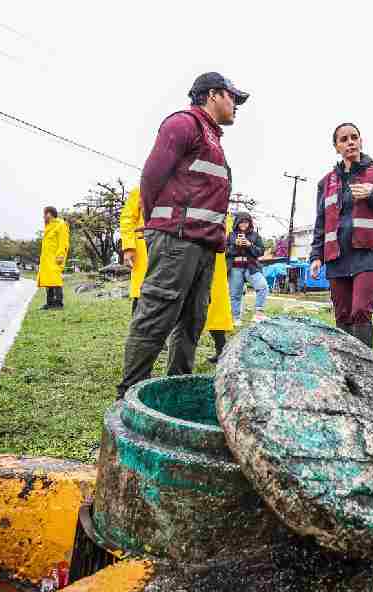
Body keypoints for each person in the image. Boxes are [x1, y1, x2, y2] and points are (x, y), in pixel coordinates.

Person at [117, 72, 249, 400]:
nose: (236, 105)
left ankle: (175, 392)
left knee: (192, 322)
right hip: (178, 241)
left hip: (203, 245)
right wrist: (161, 225)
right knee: (156, 317)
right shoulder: (183, 124)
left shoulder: (212, 136)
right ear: (213, 94)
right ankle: (128, 396)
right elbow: (151, 178)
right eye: (232, 97)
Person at [309, 123, 373, 348]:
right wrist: (316, 256)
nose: (350, 142)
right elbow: (321, 222)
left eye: (354, 137)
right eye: (343, 139)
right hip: (337, 256)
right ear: (336, 147)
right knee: (342, 314)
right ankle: (344, 363)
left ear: (361, 141)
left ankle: (363, 363)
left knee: (361, 310)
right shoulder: (326, 182)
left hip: (370, 253)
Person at [227, 212, 267, 325]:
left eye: (246, 222)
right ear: (237, 223)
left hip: (251, 267)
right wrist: (235, 245)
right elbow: (225, 251)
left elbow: (261, 251)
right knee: (235, 294)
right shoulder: (231, 235)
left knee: (262, 286)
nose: (244, 224)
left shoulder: (255, 235)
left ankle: (259, 313)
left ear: (250, 223)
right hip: (235, 267)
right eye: (241, 222)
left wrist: (250, 245)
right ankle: (235, 318)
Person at [206, 214, 235, 363]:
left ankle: (221, 350)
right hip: (194, 257)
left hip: (216, 264)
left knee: (216, 311)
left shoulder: (226, 218)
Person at [120, 187, 147, 315]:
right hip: (143, 249)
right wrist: (129, 248)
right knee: (142, 290)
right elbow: (127, 219)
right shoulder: (141, 189)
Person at [37, 206, 70, 310]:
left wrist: (60, 255)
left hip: (55, 258)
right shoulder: (48, 226)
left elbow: (63, 242)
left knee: (55, 280)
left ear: (49, 214)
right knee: (48, 281)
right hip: (47, 259)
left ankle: (58, 303)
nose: (43, 216)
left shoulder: (61, 224)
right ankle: (49, 303)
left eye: (44, 214)